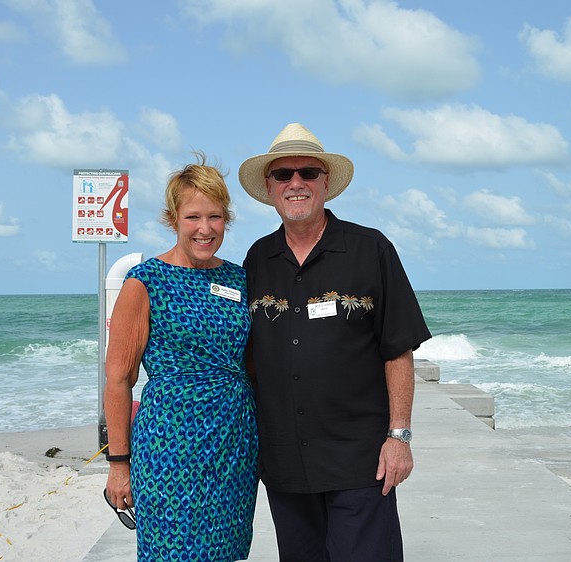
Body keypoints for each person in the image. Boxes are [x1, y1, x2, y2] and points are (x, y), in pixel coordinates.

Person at [239, 123, 431, 561]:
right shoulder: (257, 259)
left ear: (325, 182)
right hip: (285, 464)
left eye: (308, 172)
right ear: (269, 187)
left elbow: (398, 349)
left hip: (361, 462)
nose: (296, 183)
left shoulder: (371, 249)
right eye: (283, 175)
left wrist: (399, 437)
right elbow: (246, 358)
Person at [103, 153, 258, 561]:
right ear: (173, 219)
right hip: (169, 446)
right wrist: (118, 464)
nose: (205, 229)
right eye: (193, 217)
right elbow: (119, 378)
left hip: (233, 447)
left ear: (226, 219)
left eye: (215, 217)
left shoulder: (240, 279)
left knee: (225, 552)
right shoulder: (145, 282)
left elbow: (254, 364)